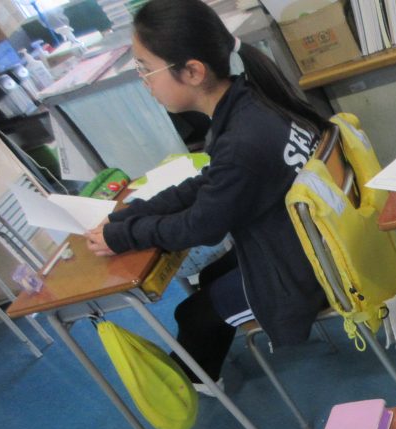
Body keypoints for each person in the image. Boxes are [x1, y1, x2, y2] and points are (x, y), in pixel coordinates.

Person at [85, 0, 328, 387]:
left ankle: (194, 384)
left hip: (306, 270)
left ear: (193, 72)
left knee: (192, 315)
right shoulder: (250, 100)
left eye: (146, 69)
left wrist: (121, 235)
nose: (144, 82)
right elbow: (207, 184)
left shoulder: (242, 140)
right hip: (307, 241)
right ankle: (204, 366)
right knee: (212, 276)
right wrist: (127, 215)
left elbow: (200, 227)